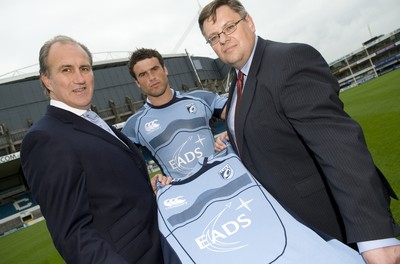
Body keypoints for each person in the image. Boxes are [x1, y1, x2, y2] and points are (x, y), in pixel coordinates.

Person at [198, 1, 400, 263]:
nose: (223, 39)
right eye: (214, 37)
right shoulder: (237, 81)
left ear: (249, 23)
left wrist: (375, 236)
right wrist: (235, 137)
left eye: (229, 27)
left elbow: (338, 147)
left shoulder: (287, 61)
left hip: (334, 221)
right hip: (299, 230)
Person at [20, 35, 164, 263]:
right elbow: (73, 235)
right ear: (47, 80)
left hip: (160, 243)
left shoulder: (92, 120)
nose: (80, 78)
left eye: (84, 68)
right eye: (66, 70)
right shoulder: (45, 138)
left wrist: (149, 188)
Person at [122, 48, 227, 179]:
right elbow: (120, 169)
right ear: (137, 83)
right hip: (184, 195)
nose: (151, 77)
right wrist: (150, 182)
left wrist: (231, 133)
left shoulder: (201, 98)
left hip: (223, 177)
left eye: (154, 69)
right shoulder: (134, 125)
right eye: (143, 74)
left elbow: (242, 113)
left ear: (165, 70)